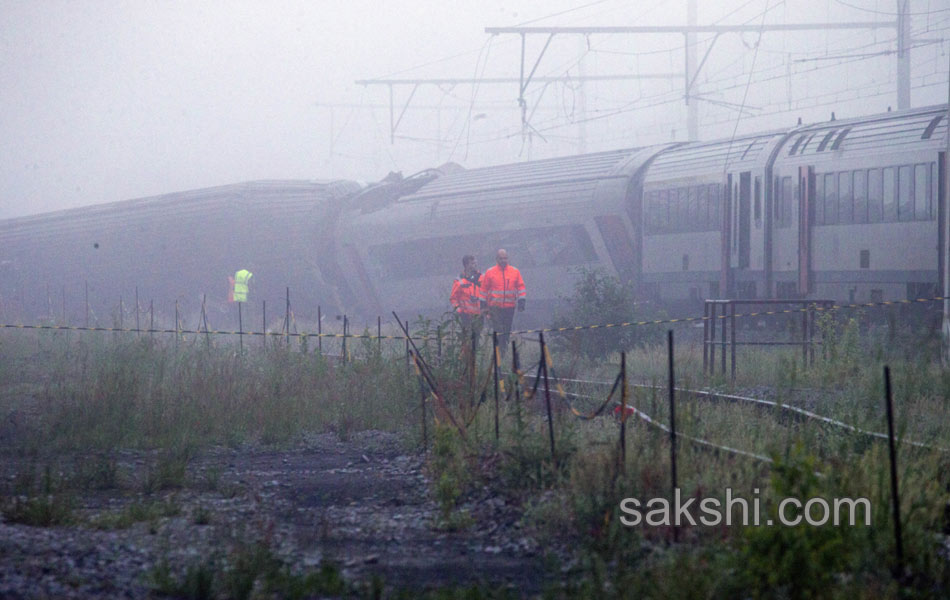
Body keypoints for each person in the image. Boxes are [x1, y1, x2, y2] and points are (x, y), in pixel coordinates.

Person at [479, 249, 525, 357]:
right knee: (498, 330)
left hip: (510, 307)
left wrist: (522, 301)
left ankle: (502, 352)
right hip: (495, 308)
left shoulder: (515, 271)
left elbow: (521, 287)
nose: (504, 260)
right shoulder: (490, 272)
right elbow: (483, 290)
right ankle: (499, 353)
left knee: (506, 330)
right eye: (501, 258)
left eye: (505, 258)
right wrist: (483, 305)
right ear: (497, 259)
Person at [450, 255, 482, 357]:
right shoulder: (459, 281)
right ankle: (464, 360)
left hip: (479, 315)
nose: (475, 265)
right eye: (472, 263)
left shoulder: (482, 277)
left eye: (475, 263)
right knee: (466, 339)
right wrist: (459, 311)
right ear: (466, 265)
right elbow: (453, 298)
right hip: (466, 316)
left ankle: (474, 360)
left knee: (476, 340)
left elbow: (487, 294)